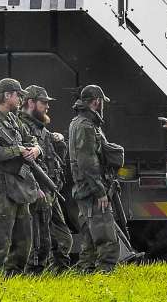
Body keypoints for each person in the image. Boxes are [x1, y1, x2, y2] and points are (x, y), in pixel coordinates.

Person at [0, 77, 42, 279]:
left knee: (23, 236)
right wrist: (17, 150)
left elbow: (30, 138)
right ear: (7, 95)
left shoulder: (13, 119)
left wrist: (36, 149)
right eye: (18, 95)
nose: (21, 99)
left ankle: (14, 276)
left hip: (18, 183)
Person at [17, 84, 73, 273]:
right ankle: (33, 274)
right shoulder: (22, 127)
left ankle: (60, 272)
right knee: (39, 240)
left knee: (63, 238)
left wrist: (59, 142)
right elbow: (22, 163)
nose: (47, 106)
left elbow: (56, 159)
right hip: (38, 191)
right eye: (43, 102)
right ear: (31, 103)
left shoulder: (42, 129)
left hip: (51, 190)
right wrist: (34, 188)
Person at [68, 84, 121, 273]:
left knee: (90, 235)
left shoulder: (78, 123)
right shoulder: (86, 126)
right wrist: (100, 192)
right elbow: (87, 162)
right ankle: (105, 272)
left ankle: (86, 270)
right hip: (92, 189)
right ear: (96, 101)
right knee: (106, 235)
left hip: (85, 187)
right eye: (101, 102)